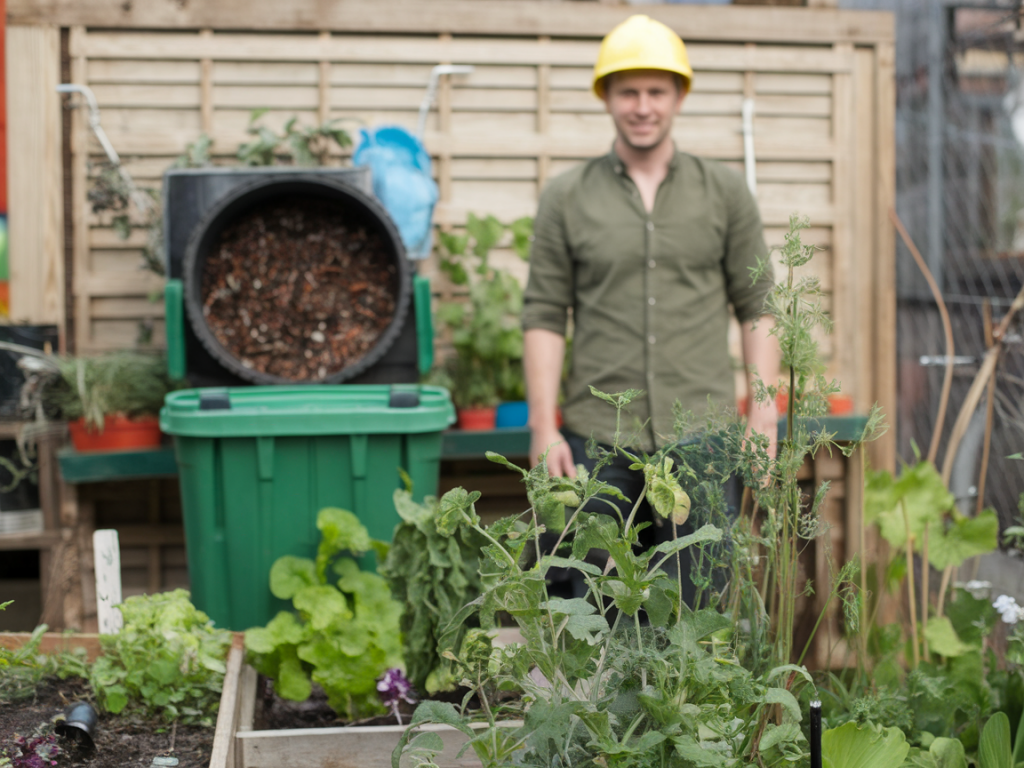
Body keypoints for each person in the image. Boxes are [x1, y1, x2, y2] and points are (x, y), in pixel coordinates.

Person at [521, 15, 781, 602]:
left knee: (699, 609)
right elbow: (543, 313)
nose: (642, 106)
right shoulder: (567, 197)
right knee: (587, 606)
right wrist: (542, 424)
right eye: (628, 91)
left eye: (656, 91)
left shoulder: (724, 192)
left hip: (704, 438)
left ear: (678, 96)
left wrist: (764, 418)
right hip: (597, 438)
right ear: (607, 98)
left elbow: (758, 304)